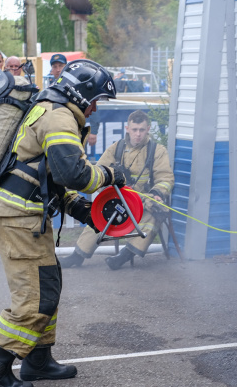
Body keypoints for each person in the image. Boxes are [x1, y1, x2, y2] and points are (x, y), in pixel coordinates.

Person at [0, 59, 125, 387]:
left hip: (25, 212)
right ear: (82, 94)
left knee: (48, 284)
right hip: (19, 217)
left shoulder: (53, 109)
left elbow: (49, 174)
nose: (97, 107)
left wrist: (80, 208)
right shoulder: (59, 116)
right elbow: (76, 175)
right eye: (96, 99)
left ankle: (38, 360)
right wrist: (111, 175)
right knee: (35, 296)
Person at [61, 110, 174, 270]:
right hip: (120, 199)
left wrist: (157, 193)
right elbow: (99, 172)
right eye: (134, 130)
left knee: (155, 213)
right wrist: (111, 189)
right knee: (99, 215)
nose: (138, 134)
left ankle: (125, 255)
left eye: (142, 130)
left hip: (145, 202)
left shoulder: (157, 151)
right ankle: (77, 256)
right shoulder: (117, 148)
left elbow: (165, 178)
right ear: (127, 128)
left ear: (148, 129)